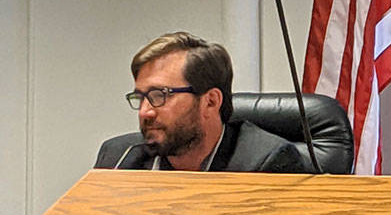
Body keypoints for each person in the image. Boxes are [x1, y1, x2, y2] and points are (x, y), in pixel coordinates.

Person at [95, 32, 309, 173]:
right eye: (141, 97)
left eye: (159, 96)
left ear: (210, 102)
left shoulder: (266, 162)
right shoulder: (119, 158)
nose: (145, 112)